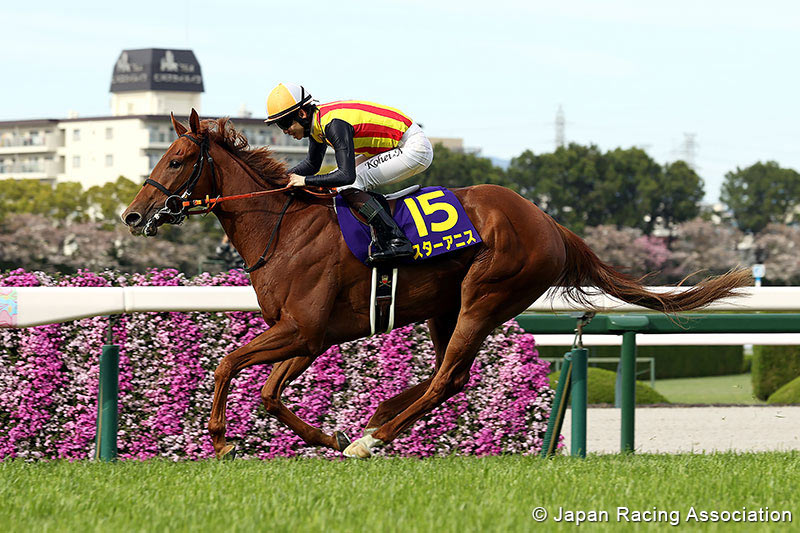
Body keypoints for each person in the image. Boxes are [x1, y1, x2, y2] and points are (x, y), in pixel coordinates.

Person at [264, 82, 434, 264]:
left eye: (284, 123)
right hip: (394, 145)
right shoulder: (317, 124)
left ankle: (396, 240)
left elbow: (347, 176)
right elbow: (312, 165)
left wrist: (304, 181)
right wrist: (279, 179)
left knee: (348, 183)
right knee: (340, 180)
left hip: (414, 147)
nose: (284, 131)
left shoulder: (332, 125)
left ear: (302, 114)